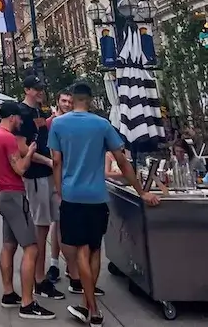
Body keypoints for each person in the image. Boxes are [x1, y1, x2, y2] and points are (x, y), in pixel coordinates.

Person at [49, 82, 160, 325]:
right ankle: (87, 305)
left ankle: (94, 310)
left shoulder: (58, 124)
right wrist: (141, 191)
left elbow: (56, 162)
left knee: (80, 251)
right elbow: (122, 161)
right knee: (95, 249)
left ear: (73, 99)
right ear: (89, 100)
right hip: (97, 195)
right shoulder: (102, 125)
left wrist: (59, 190)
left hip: (72, 195)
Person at [0, 101, 55, 321]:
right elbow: (21, 168)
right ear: (13, 117)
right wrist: (31, 151)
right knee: (32, 248)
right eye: (19, 118)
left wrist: (1, 179)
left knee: (9, 244)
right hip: (15, 195)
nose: (21, 122)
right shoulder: (7, 138)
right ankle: (27, 302)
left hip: (2, 193)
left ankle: (9, 293)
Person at [17, 75, 65, 302]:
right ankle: (39, 279)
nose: (39, 92)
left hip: (48, 175)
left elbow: (43, 135)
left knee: (51, 224)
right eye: (35, 89)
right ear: (27, 90)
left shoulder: (40, 112)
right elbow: (22, 147)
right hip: (36, 177)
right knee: (41, 228)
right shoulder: (22, 114)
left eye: (41, 88)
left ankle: (45, 275)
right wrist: (45, 161)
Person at [47, 89, 73, 284]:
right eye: (63, 100)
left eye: (69, 101)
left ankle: (70, 266)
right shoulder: (52, 123)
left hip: (73, 177)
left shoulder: (75, 122)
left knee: (66, 223)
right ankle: (56, 264)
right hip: (59, 178)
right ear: (58, 102)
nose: (67, 104)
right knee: (58, 222)